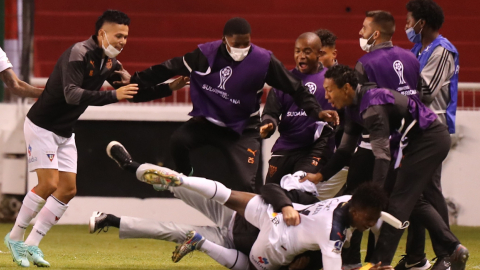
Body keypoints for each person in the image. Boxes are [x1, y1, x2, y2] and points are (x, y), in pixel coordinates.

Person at [2, 10, 147, 268]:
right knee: (48, 184)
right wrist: (115, 95)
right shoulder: (78, 53)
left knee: (68, 190)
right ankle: (14, 237)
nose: (123, 41)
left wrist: (171, 86)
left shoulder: (110, 63)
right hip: (42, 125)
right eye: (118, 36)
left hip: (65, 131)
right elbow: (71, 94)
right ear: (102, 33)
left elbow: (132, 87)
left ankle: (32, 245)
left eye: (126, 36)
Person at [127, 17, 338, 193]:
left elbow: (295, 88)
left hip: (243, 130)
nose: (242, 49)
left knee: (247, 185)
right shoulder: (205, 55)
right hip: (207, 123)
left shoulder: (263, 60)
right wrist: (135, 81)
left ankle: (249, 232)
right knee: (178, 141)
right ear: (224, 41)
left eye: (246, 43)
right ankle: (183, 176)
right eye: (237, 44)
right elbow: (167, 68)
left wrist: (316, 112)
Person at [109, 143, 391, 270]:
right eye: (369, 219)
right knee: (192, 212)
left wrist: (369, 266)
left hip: (268, 222)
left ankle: (165, 183)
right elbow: (271, 188)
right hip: (271, 238)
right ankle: (152, 175)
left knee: (216, 192)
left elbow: (377, 220)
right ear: (356, 211)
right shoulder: (334, 235)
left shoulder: (343, 200)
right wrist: (286, 204)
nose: (370, 224)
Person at [301, 65, 466, 270]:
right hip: (417, 142)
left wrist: (376, 193)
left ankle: (380, 263)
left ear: (346, 89)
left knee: (398, 200)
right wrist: (319, 175)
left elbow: (382, 156)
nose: (326, 95)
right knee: (412, 200)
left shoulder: (371, 108)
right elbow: (344, 151)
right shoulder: (353, 109)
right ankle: (454, 248)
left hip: (428, 141)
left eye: (329, 90)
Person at [395, 1, 463, 269]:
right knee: (419, 192)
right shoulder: (417, 49)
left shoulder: (443, 50)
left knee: (428, 191)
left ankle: (448, 254)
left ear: (422, 23)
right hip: (416, 128)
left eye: (409, 20)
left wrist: (396, 84)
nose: (406, 25)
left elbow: (426, 92)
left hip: (434, 128)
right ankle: (415, 257)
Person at [260, 32, 343, 199]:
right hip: (285, 147)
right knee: (269, 197)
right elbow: (271, 112)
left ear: (319, 54)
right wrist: (268, 124)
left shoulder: (332, 80)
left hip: (315, 149)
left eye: (307, 51)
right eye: (297, 51)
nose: (301, 56)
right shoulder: (284, 80)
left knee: (299, 191)